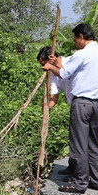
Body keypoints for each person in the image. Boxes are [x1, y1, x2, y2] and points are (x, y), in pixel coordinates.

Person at [41, 23, 98, 194]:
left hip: (82, 104)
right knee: (93, 143)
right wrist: (57, 64)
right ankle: (95, 180)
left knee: (79, 143)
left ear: (81, 36)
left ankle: (79, 182)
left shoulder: (82, 54)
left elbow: (64, 74)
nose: (75, 43)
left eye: (75, 39)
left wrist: (50, 67)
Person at [37, 46, 74, 175]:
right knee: (74, 138)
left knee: (83, 140)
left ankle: (81, 173)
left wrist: (56, 67)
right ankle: (73, 167)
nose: (44, 67)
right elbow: (54, 96)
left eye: (44, 63)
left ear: (51, 59)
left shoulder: (71, 61)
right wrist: (46, 109)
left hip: (86, 102)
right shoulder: (52, 75)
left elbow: (68, 74)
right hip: (75, 106)